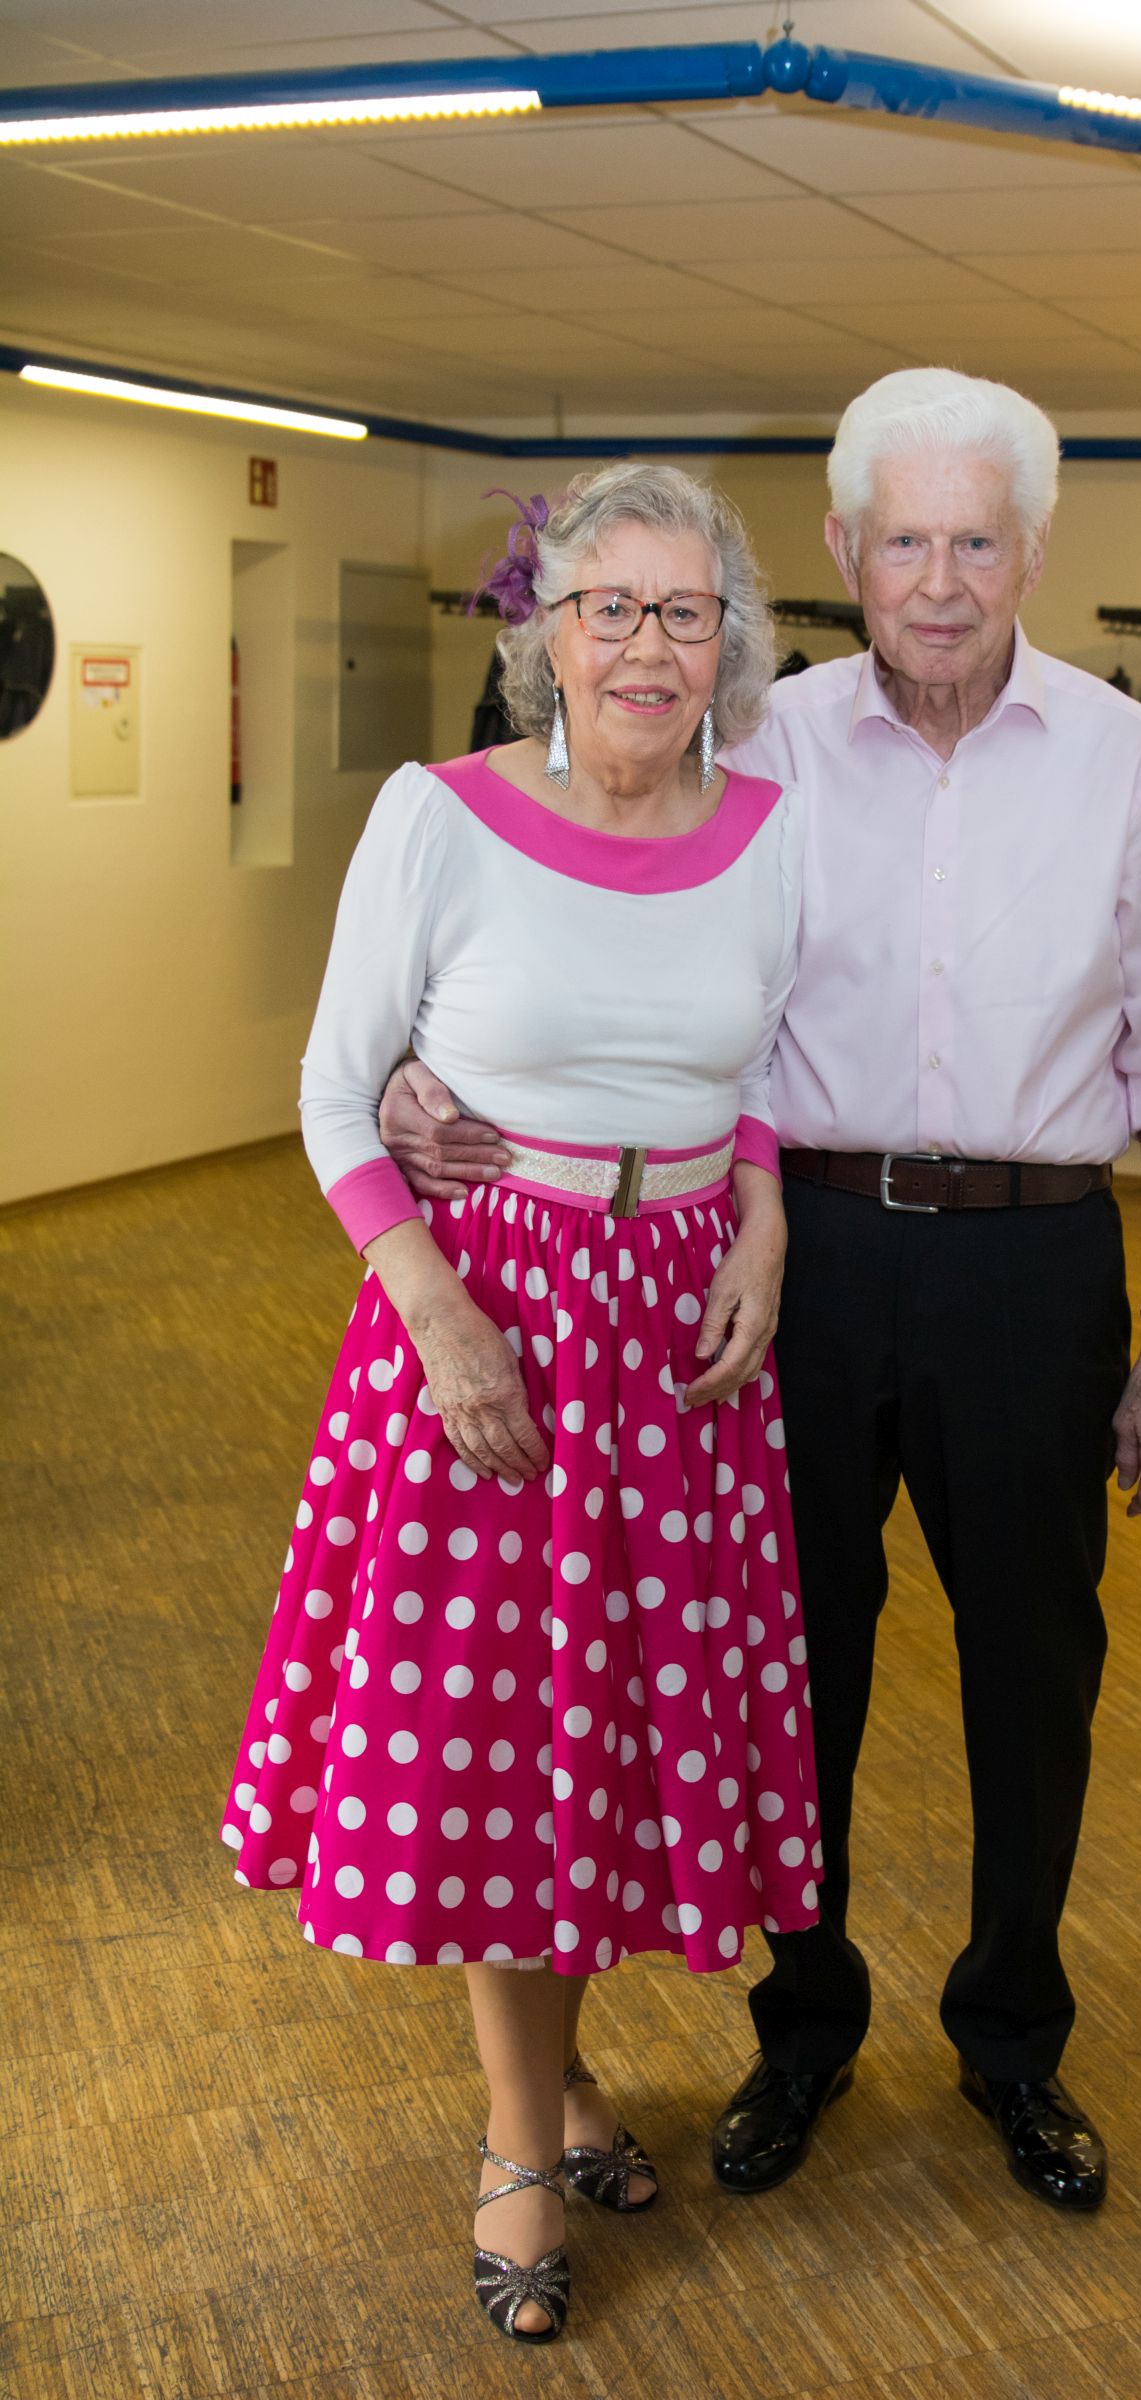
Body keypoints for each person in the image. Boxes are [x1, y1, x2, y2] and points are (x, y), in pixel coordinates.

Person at [380, 367, 1141, 2218]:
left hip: (1033, 1264)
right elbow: (596, 927)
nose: (940, 581)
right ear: (846, 548)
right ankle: (806, 2025)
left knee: (1036, 1668)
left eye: (977, 543)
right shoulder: (758, 741)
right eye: (905, 541)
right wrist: (414, 1080)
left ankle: (1014, 2037)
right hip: (793, 1259)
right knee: (792, 1660)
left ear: (1032, 554)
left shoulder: (1132, 763)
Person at [219, 465, 821, 2346]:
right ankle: (516, 2142)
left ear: (730, 645)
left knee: (604, 1751)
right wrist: (437, 1312)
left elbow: (761, 1067)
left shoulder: (773, 832)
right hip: (490, 1327)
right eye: (609, 607)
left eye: (686, 612)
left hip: (679, 1349)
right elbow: (335, 1095)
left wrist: (765, 1216)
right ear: (546, 634)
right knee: (495, 1755)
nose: (648, 646)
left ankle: (561, 2089)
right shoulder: (441, 817)